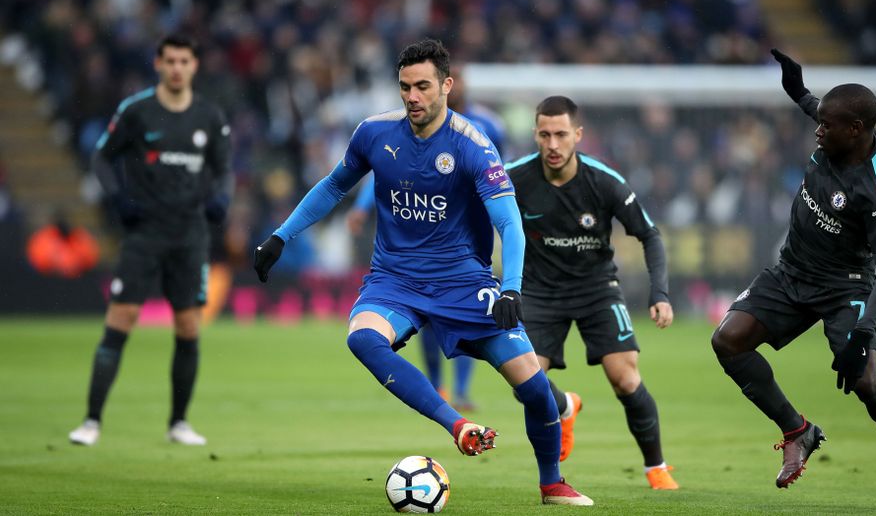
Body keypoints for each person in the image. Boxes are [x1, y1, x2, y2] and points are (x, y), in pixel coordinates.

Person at [253, 39, 592, 505]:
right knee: (361, 338)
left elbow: (509, 221)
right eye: (405, 87)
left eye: (423, 86)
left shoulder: (473, 144)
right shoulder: (374, 133)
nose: (412, 96)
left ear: (447, 87)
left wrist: (510, 288)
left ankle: (552, 481)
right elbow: (334, 186)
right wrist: (280, 236)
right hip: (395, 281)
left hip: (463, 283)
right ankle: (457, 423)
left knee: (534, 389)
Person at [710, 48, 876, 511]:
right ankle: (798, 430)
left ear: (855, 131)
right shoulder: (839, 127)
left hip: (846, 285)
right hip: (792, 270)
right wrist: (797, 90)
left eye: (827, 126)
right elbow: (818, 107)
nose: (818, 129)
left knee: (865, 380)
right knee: (727, 341)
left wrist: (865, 330)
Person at [504, 96, 679, 490]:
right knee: (525, 385)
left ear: (577, 135)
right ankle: (565, 407)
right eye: (545, 134)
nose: (552, 144)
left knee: (625, 378)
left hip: (596, 289)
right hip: (539, 291)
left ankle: (657, 469)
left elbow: (649, 234)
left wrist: (660, 293)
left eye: (561, 134)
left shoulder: (604, 181)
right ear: (535, 134)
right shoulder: (514, 177)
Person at [68, 34, 232, 447]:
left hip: (189, 235)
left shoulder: (210, 117)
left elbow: (223, 170)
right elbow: (102, 157)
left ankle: (178, 423)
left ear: (195, 66)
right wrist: (117, 200)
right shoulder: (137, 111)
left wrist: (219, 200)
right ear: (158, 64)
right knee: (120, 319)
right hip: (144, 233)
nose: (177, 68)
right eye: (170, 60)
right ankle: (91, 421)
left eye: (184, 61)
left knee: (189, 324)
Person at [345, 65, 506, 411]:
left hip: (465, 240)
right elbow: (386, 172)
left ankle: (461, 389)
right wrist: (361, 206)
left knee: (468, 321)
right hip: (419, 239)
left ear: (450, 85)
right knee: (428, 322)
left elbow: (499, 173)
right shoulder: (404, 130)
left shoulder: (486, 128)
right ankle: (437, 386)